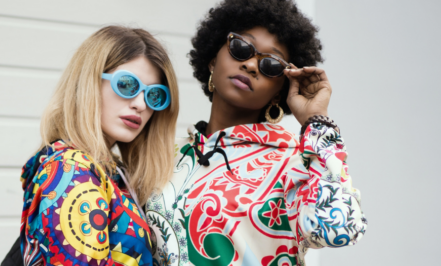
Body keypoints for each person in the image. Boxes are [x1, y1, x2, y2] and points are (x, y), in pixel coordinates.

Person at [144, 1, 367, 265]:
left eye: (271, 64)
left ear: (279, 91)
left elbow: (339, 227)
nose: (251, 65)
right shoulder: (163, 153)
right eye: (241, 48)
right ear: (213, 60)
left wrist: (315, 121)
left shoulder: (295, 163)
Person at [2, 25, 179, 266]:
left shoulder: (111, 172)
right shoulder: (72, 170)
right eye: (127, 85)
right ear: (89, 82)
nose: (140, 104)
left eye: (154, 95)